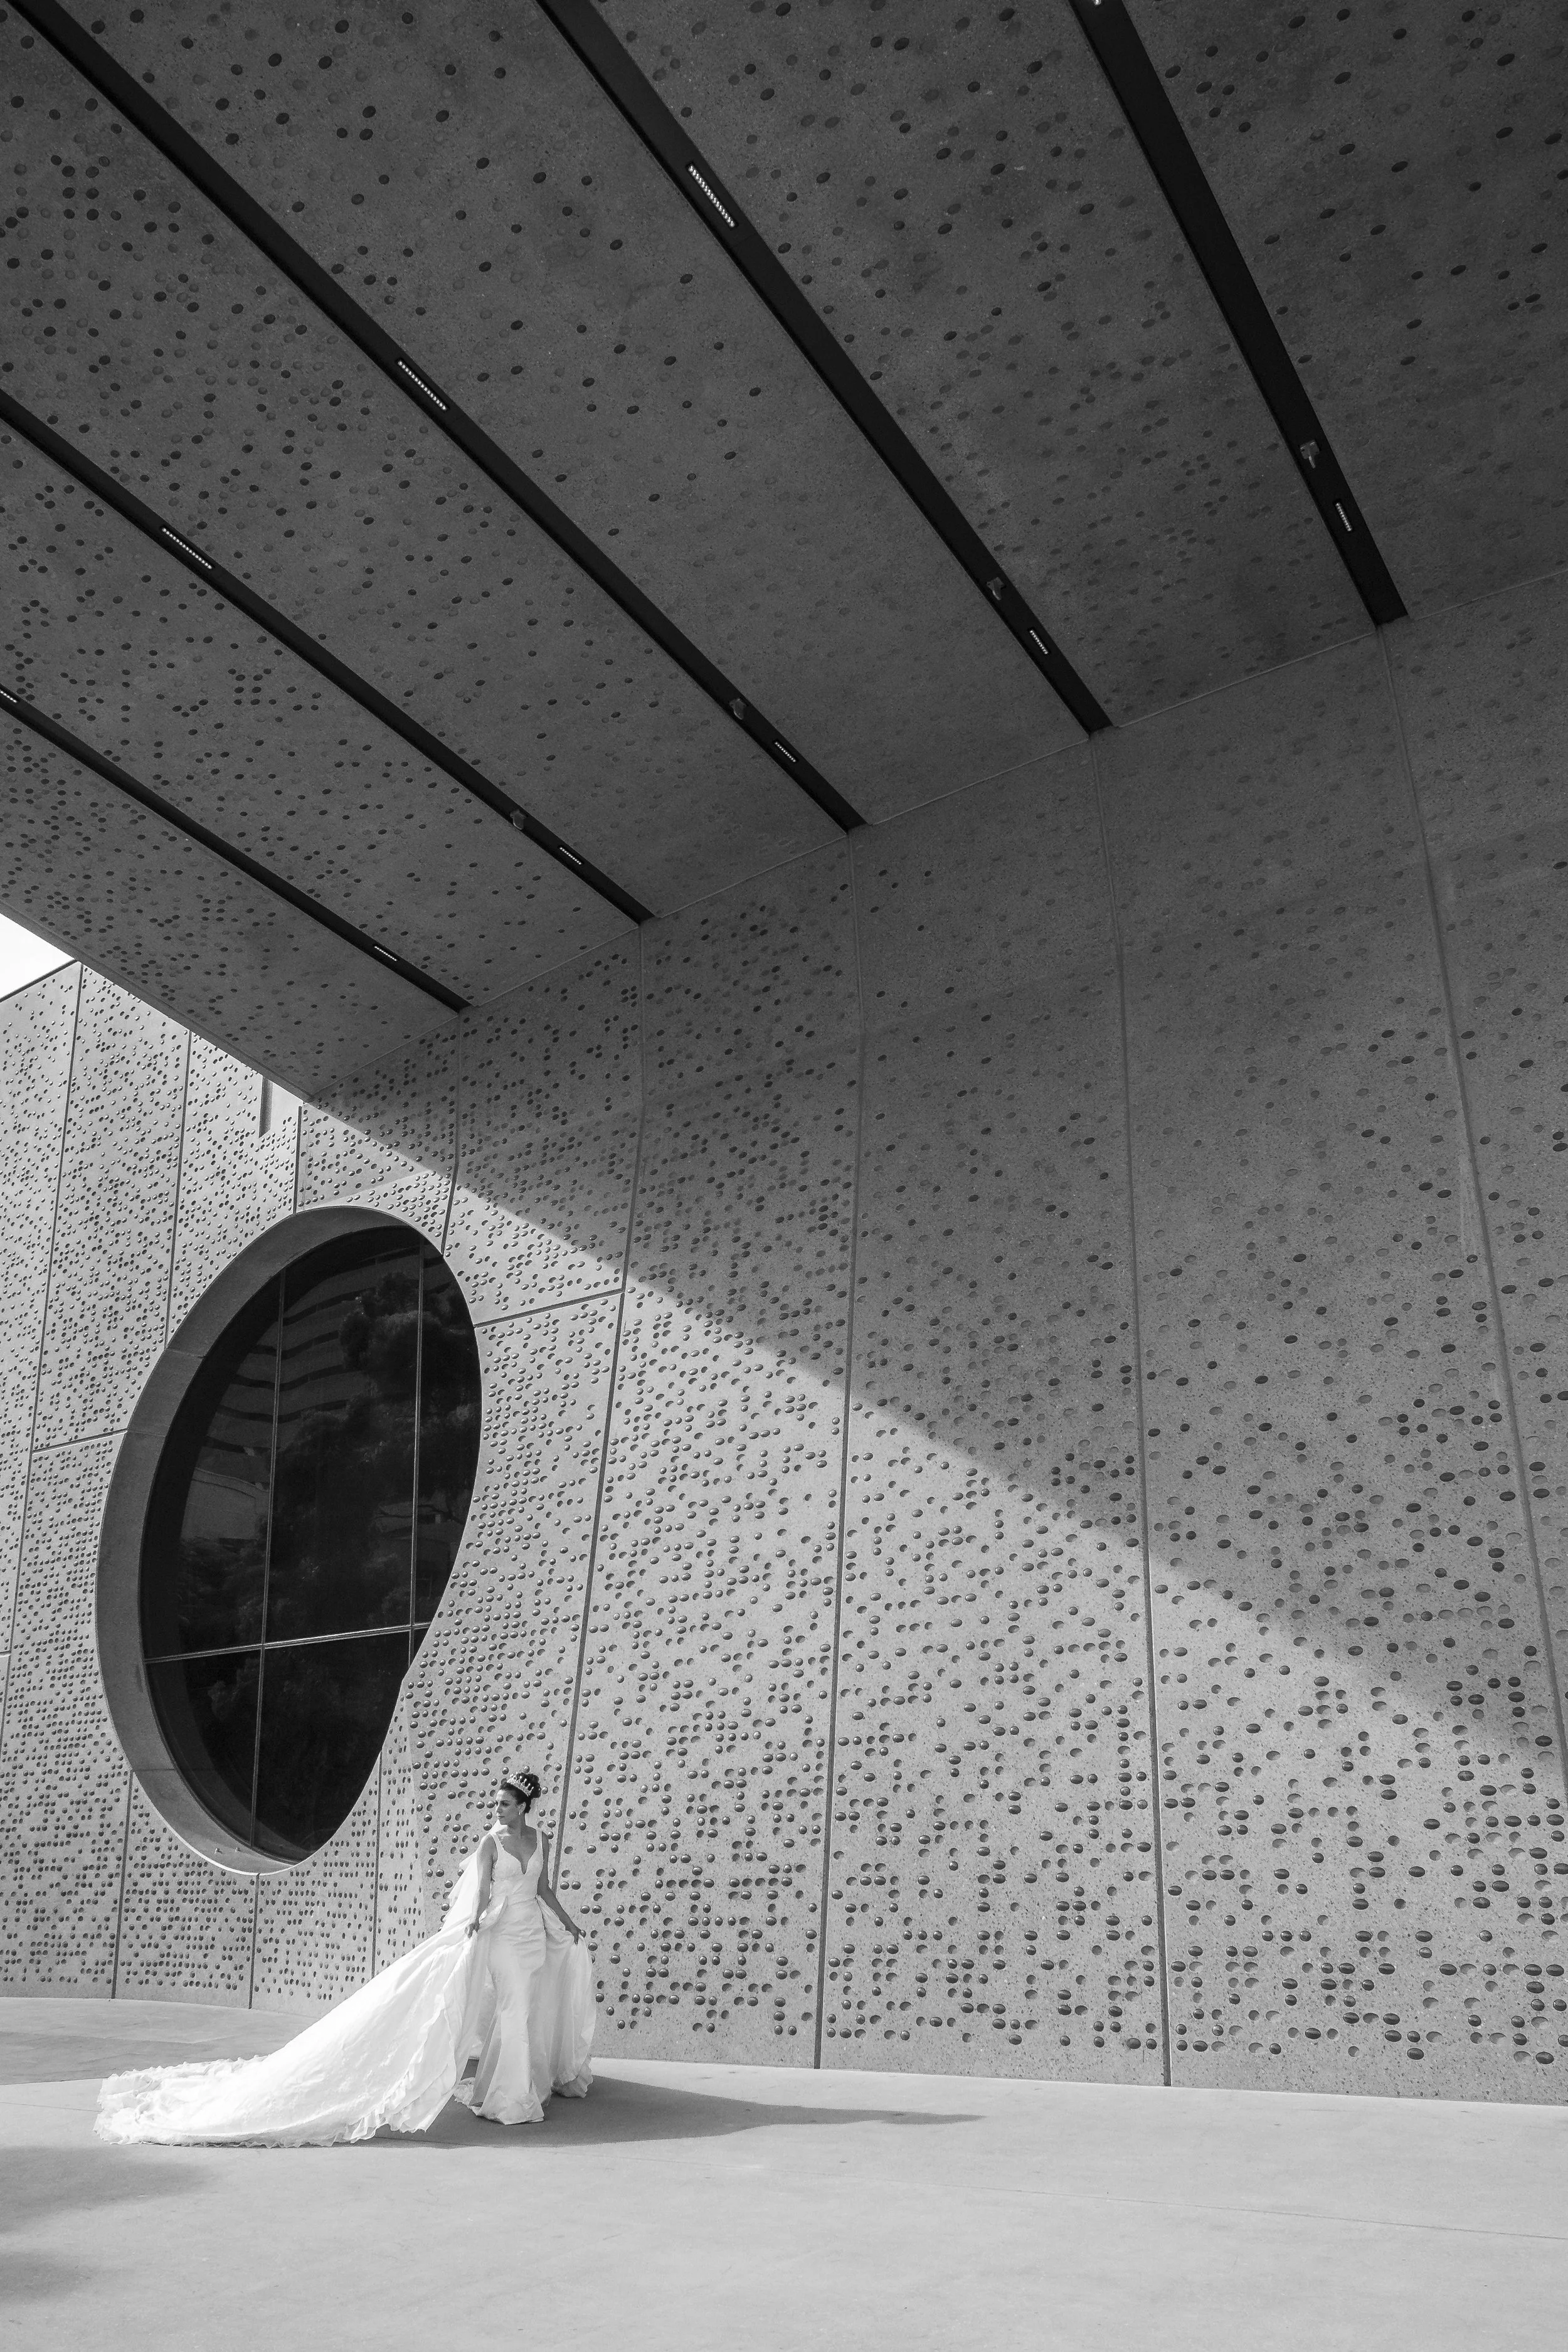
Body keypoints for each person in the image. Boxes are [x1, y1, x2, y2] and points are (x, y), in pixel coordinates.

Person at [95, 1771, 595, 2146]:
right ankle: (514, 2102)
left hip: (532, 1932)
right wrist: (471, 1926)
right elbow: (482, 1894)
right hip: (502, 1934)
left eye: (506, 1804)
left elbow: (544, 1888)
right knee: (513, 2009)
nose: (498, 1809)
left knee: (521, 2011)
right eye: (497, 1803)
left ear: (525, 1806)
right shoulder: (491, 1842)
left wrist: (569, 1925)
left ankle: (497, 2089)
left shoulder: (539, 1839)